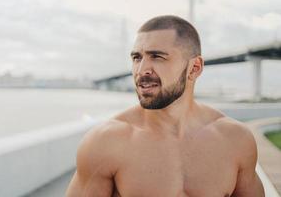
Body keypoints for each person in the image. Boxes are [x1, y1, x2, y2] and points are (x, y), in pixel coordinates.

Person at [66, 15, 265, 197]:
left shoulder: (235, 140)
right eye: (137, 58)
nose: (141, 70)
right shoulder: (106, 142)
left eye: (157, 57)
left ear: (194, 68)